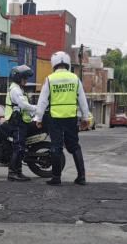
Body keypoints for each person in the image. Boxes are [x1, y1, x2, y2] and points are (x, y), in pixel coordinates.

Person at [34, 51, 90, 186]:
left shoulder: (50, 79)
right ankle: (81, 177)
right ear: (68, 64)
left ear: (54, 64)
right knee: (74, 145)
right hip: (71, 117)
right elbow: (82, 100)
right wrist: (85, 117)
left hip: (55, 117)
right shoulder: (75, 78)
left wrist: (38, 118)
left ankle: (56, 177)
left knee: (56, 146)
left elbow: (42, 101)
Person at [5, 65, 38, 182]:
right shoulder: (15, 90)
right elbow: (23, 105)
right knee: (18, 147)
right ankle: (12, 173)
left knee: (21, 147)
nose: (26, 80)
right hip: (16, 122)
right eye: (24, 78)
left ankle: (18, 172)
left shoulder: (18, 88)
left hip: (20, 121)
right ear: (18, 78)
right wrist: (37, 108)